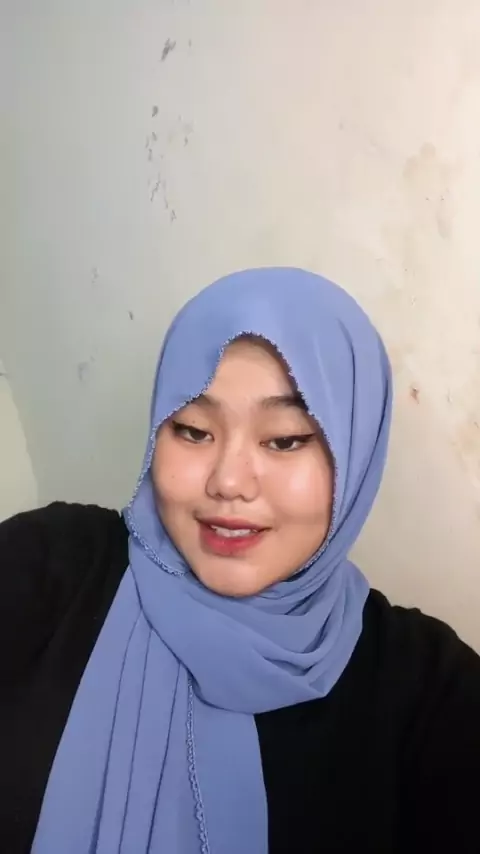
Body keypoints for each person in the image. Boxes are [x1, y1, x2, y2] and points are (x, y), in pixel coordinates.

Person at [1, 268, 480, 854]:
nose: (228, 482)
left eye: (284, 440)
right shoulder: (53, 566)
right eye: (193, 430)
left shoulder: (431, 693)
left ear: (357, 452)